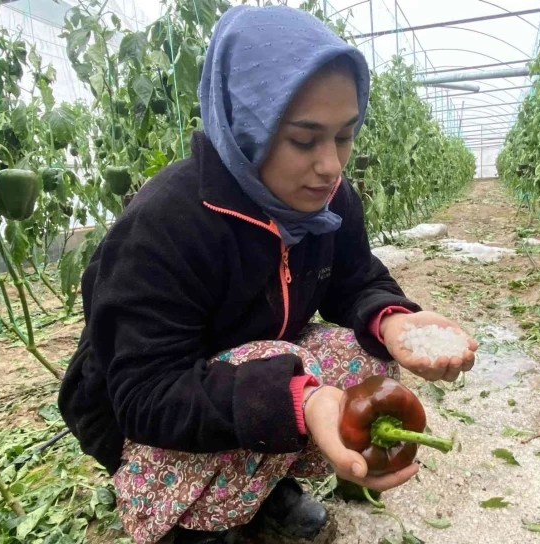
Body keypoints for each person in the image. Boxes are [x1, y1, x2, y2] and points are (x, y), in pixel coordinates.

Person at [58, 5, 477, 544]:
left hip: (239, 371)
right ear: (246, 125)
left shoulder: (329, 200)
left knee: (360, 354)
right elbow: (146, 392)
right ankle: (190, 523)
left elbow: (354, 279)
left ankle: (264, 489)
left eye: (344, 136)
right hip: (142, 419)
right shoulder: (167, 222)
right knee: (285, 373)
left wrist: (396, 323)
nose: (331, 165)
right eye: (304, 140)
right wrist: (299, 399)